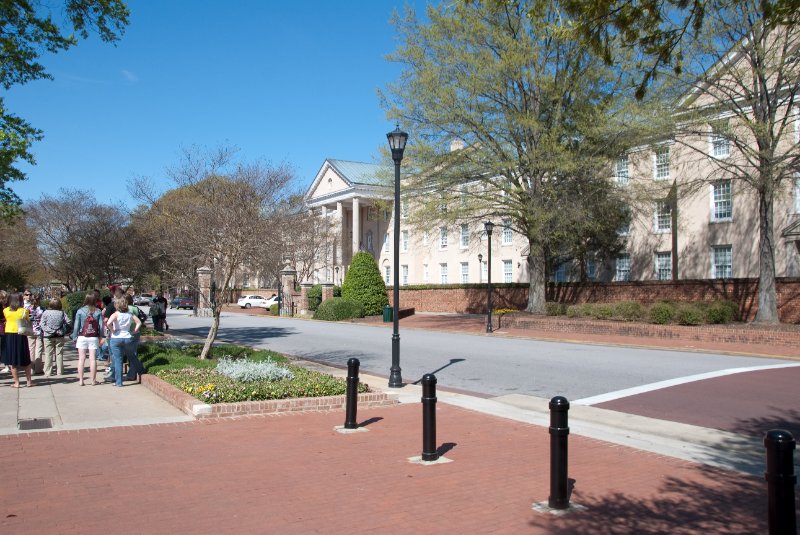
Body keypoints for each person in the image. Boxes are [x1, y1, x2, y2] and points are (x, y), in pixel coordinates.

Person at [105, 296, 143, 387]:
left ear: (117, 305)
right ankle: (141, 370)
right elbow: (139, 322)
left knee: (118, 360)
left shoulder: (115, 314)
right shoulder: (130, 314)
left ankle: (119, 382)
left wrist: (112, 330)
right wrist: (135, 330)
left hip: (116, 338)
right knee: (132, 356)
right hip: (127, 337)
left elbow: (108, 323)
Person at [72, 294, 105, 386]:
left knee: (81, 359)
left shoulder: (80, 311)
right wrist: (102, 336)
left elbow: (76, 326)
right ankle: (93, 380)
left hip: (82, 336)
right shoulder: (98, 311)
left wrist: (75, 337)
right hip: (93, 337)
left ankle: (81, 380)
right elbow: (101, 326)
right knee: (93, 359)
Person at [2, 292, 33, 388]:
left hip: (10, 335)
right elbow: (27, 320)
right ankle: (29, 382)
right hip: (21, 335)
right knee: (26, 359)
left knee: (12, 360)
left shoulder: (6, 311)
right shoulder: (24, 311)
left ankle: (17, 382)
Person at [40, 298, 70, 377]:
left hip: (48, 336)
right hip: (59, 335)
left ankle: (48, 372)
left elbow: (42, 324)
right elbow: (69, 321)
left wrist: (49, 330)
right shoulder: (62, 313)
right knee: (59, 353)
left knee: (48, 354)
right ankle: (60, 371)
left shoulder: (46, 312)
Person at [24, 291, 45, 375]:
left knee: (31, 349)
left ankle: (31, 368)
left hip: (30, 330)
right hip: (39, 331)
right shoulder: (42, 309)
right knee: (39, 350)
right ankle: (38, 368)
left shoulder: (27, 309)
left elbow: (24, 319)